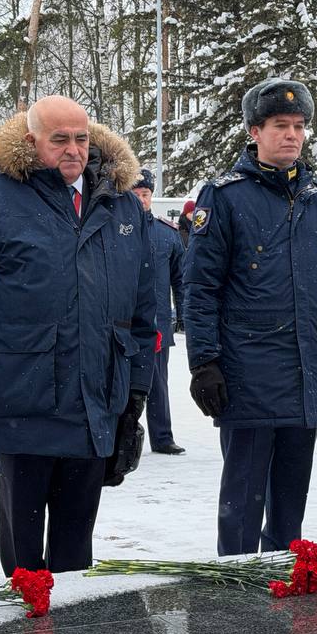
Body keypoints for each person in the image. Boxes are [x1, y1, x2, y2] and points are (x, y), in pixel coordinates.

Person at [0, 96, 156, 575]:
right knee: (24, 556)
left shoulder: (123, 205)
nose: (73, 149)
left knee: (76, 552)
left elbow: (143, 313)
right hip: (22, 395)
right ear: (32, 141)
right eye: (59, 139)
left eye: (81, 137)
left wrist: (135, 394)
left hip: (96, 399)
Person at [184, 78, 317, 556]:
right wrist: (204, 362)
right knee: (243, 499)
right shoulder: (224, 197)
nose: (292, 135)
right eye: (280, 125)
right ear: (254, 131)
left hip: (308, 370)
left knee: (290, 497)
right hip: (247, 373)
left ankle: (287, 572)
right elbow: (200, 288)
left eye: (299, 126)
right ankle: (238, 585)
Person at [135, 168, 187, 455]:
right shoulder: (116, 229)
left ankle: (162, 436)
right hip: (123, 324)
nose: (142, 199)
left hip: (157, 323)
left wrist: (183, 316)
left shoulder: (167, 235)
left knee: (158, 384)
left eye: (146, 194)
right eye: (136, 194)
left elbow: (181, 279)